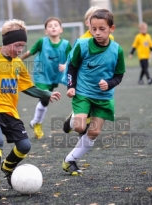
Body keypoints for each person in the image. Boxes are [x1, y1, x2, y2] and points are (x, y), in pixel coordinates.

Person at [0, 19, 61, 200]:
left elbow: (28, 87)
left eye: (22, 46)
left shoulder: (18, 64)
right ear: (6, 43)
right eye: (17, 45)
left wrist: (47, 94)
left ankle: (6, 168)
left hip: (9, 111)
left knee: (24, 146)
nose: (20, 50)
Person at [61, 9, 125, 176]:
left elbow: (119, 75)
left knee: (94, 132)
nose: (97, 33)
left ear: (112, 28)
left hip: (104, 97)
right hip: (83, 93)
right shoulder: (82, 45)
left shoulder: (117, 50)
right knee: (80, 126)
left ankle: (70, 160)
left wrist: (109, 83)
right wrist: (71, 86)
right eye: (93, 29)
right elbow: (72, 67)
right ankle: (75, 117)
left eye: (102, 29)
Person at [62, 6, 115, 134]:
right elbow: (73, 60)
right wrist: (65, 65)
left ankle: (77, 120)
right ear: (88, 23)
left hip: (99, 78)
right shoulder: (83, 41)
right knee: (86, 101)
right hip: (81, 79)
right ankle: (74, 120)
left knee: (96, 102)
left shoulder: (110, 39)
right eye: (92, 21)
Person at [20, 17, 72, 139]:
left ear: (61, 30)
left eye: (56, 25)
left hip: (54, 76)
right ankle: (37, 123)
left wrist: (66, 65)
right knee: (44, 97)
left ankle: (35, 122)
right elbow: (30, 53)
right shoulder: (41, 42)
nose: (53, 27)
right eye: (50, 26)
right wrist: (17, 60)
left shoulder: (65, 45)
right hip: (41, 74)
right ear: (46, 31)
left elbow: (72, 58)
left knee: (47, 99)